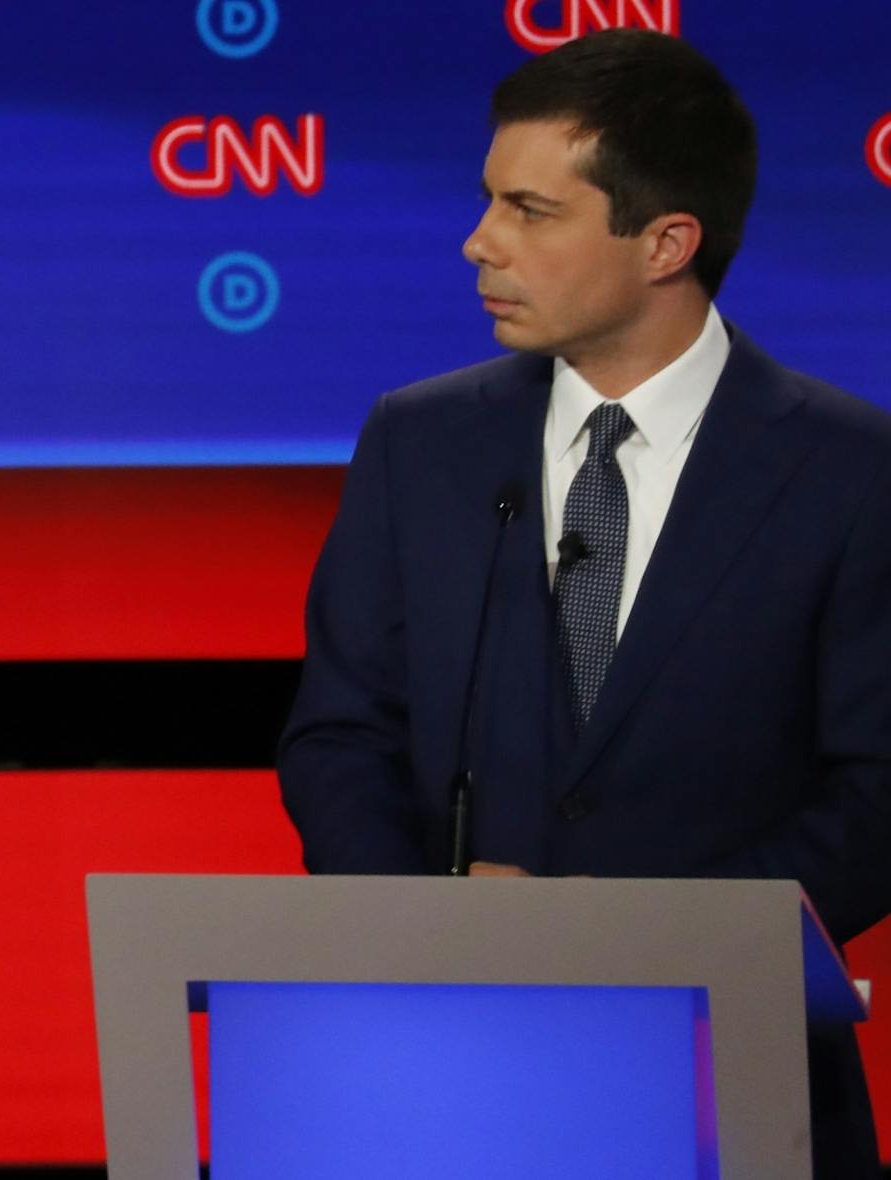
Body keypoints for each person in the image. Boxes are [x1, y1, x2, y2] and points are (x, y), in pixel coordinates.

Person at [278, 30, 891, 1177]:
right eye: (486, 201)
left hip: (732, 1081)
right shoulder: (421, 441)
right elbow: (339, 734)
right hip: (442, 1070)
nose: (479, 242)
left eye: (530, 210)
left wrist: (622, 933)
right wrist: (432, 928)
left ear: (666, 242)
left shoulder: (854, 471)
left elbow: (877, 793)